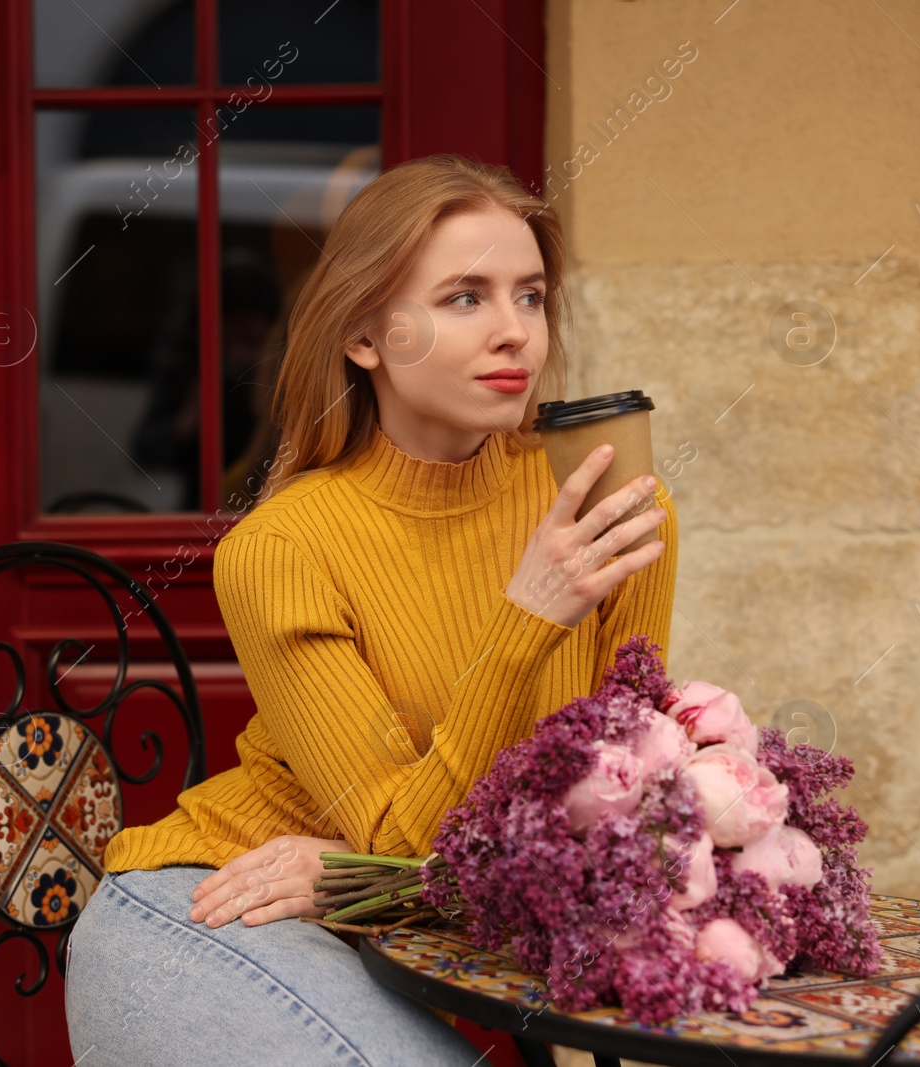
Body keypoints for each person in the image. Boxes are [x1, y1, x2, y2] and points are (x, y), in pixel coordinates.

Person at [64, 154, 677, 1066]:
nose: (515, 332)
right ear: (364, 335)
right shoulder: (282, 547)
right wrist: (530, 617)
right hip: (214, 905)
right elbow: (404, 839)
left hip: (353, 910)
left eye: (531, 295)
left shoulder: (608, 508)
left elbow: (623, 819)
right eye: (465, 298)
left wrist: (350, 876)